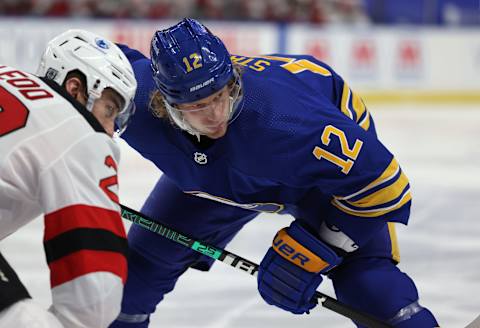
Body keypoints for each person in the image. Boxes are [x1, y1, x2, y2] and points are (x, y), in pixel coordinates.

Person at [111, 19, 438, 327]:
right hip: (215, 180)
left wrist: (317, 247)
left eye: (221, 95)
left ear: (233, 79)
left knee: (368, 285)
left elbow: (383, 185)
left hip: (317, 181)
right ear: (163, 102)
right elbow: (82, 72)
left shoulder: (287, 121)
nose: (215, 115)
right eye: (196, 106)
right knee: (134, 277)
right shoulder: (133, 97)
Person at [0, 29, 137, 327]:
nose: (112, 130)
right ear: (75, 88)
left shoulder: (5, 73)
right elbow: (94, 300)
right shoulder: (79, 134)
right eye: (110, 109)